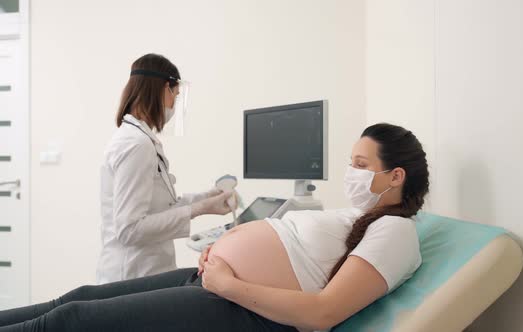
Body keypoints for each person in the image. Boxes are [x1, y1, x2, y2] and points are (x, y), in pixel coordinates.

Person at [0, 123, 429, 332]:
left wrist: (227, 284)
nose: (350, 173)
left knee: (71, 322)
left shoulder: (397, 232)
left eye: (360, 166)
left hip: (242, 309)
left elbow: (323, 313)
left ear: (396, 176)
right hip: (214, 282)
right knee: (78, 299)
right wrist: (222, 256)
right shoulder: (357, 218)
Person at [96, 53, 235, 284]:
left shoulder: (139, 138)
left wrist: (206, 199)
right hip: (133, 277)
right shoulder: (136, 145)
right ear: (163, 89)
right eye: (175, 95)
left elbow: (157, 208)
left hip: (145, 272)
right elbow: (129, 229)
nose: (174, 104)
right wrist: (198, 209)